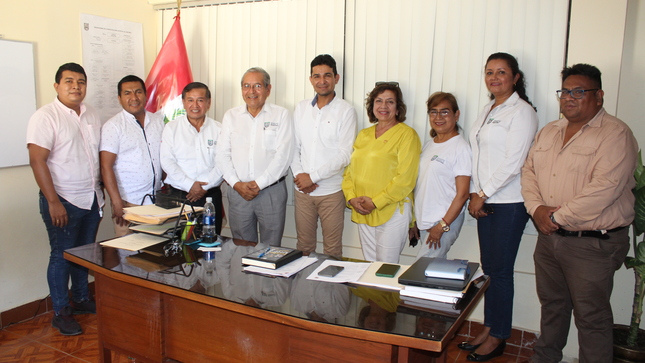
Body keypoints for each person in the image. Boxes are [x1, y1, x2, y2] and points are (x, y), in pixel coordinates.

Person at [521, 64, 638, 363]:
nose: (569, 98)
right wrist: (537, 210)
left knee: (592, 318)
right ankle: (545, 358)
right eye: (564, 92)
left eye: (578, 92)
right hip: (549, 240)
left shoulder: (615, 134)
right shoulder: (549, 131)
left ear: (598, 96)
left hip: (592, 244)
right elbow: (528, 172)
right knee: (552, 307)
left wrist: (555, 218)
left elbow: (605, 188)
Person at [461, 53, 538, 362]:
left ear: (515, 77)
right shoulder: (487, 109)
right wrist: (474, 193)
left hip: (508, 203)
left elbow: (514, 162)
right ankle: (490, 327)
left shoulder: (522, 112)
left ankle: (499, 337)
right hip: (485, 199)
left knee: (501, 272)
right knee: (490, 270)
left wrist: (483, 193)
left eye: (501, 72)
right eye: (489, 72)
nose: (494, 77)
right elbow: (479, 156)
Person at [26, 63, 103, 336]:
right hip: (63, 199)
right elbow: (37, 161)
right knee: (61, 256)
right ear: (57, 85)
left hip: (91, 198)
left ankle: (81, 299)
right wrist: (53, 202)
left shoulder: (91, 113)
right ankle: (61, 311)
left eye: (81, 81)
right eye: (69, 81)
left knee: (83, 254)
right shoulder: (45, 117)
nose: (76, 86)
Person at [341, 82, 421, 263]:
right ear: (372, 106)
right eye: (378, 101)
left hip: (392, 210)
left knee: (386, 268)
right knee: (369, 266)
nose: (383, 106)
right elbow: (349, 173)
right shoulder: (363, 134)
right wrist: (352, 198)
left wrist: (376, 202)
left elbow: (406, 179)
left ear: (398, 107)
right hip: (363, 209)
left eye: (390, 102)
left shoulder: (407, 135)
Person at [216, 67, 293, 246]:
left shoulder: (281, 115)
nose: (251, 91)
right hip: (238, 192)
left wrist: (258, 184)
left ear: (268, 89)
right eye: (246, 86)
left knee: (271, 249)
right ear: (242, 89)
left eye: (257, 85)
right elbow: (222, 154)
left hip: (271, 192)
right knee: (241, 247)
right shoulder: (231, 116)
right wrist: (236, 184)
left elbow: (283, 156)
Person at [291, 54, 357, 257]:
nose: (322, 81)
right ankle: (303, 288)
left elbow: (345, 154)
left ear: (336, 78)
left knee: (332, 250)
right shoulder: (301, 108)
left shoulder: (346, 111)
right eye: (316, 76)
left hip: (331, 192)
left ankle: (331, 290)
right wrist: (301, 176)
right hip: (302, 192)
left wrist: (313, 177)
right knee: (304, 247)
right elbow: (293, 146)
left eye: (327, 75)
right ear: (310, 79)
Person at [409, 92, 471, 260]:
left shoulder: (460, 147)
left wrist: (442, 225)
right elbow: (423, 185)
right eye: (433, 112)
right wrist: (415, 221)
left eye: (445, 112)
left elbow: (463, 193)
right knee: (431, 273)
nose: (438, 117)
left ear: (456, 115)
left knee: (421, 270)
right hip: (425, 221)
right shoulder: (430, 145)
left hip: (443, 222)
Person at [100, 75, 164, 237]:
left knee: (154, 255)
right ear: (119, 98)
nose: (134, 98)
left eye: (138, 92)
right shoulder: (113, 127)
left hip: (157, 202)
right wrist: (116, 202)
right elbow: (105, 166)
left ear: (145, 94)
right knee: (128, 256)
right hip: (129, 204)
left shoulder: (158, 121)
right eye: (127, 93)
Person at [160, 82, 224, 234]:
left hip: (210, 196)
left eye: (200, 100)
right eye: (190, 100)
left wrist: (203, 188)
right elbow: (167, 161)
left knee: (211, 242)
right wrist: (190, 185)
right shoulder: (171, 128)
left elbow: (223, 163)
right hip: (180, 195)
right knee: (180, 243)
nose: (195, 105)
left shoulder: (220, 129)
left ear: (208, 103)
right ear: (183, 102)